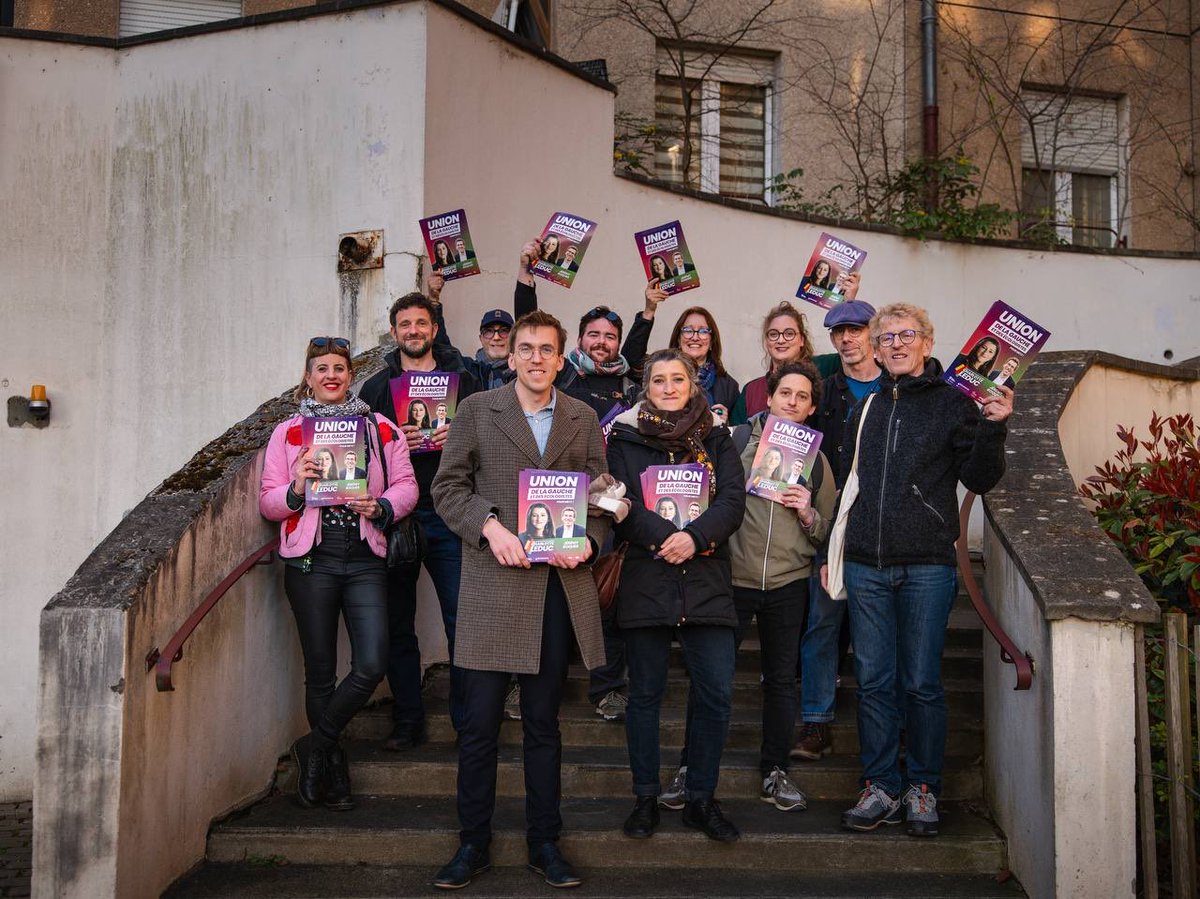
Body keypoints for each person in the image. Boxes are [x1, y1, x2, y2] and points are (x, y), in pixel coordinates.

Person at [430, 309, 611, 890]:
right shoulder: (478, 411)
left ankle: (544, 843)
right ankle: (472, 843)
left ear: (562, 359)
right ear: (510, 356)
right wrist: (490, 526)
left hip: (555, 588)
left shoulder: (583, 418)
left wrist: (588, 538)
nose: (535, 358)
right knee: (479, 725)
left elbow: (604, 497)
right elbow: (447, 488)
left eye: (546, 349)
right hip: (491, 582)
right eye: (525, 348)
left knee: (543, 724)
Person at [833, 303, 1012, 838]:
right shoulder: (866, 406)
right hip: (866, 564)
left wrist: (994, 427)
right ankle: (881, 784)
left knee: (922, 684)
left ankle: (923, 787)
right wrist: (836, 553)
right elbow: (850, 485)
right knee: (873, 682)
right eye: (885, 337)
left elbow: (981, 477)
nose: (894, 344)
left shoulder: (956, 403)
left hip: (928, 566)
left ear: (928, 343)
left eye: (905, 335)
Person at [259, 336, 418, 811]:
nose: (331, 375)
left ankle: (314, 745)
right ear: (308, 376)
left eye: (339, 368)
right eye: (321, 368)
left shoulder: (381, 428)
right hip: (311, 562)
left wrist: (384, 504)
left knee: (371, 663)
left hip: (365, 557)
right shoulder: (287, 434)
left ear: (351, 376)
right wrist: (298, 485)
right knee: (321, 674)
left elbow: (407, 485)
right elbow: (268, 502)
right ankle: (332, 767)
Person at [516, 239, 665, 722]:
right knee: (536, 600)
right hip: (551, 502)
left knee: (609, 598)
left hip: (610, 505)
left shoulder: (629, 383)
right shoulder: (562, 380)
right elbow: (530, 332)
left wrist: (648, 309)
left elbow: (643, 347)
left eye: (610, 337)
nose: (602, 342)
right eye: (593, 334)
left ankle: (606, 688)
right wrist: (526, 274)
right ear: (575, 342)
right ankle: (529, 687)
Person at [605, 348, 747, 843]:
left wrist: (696, 537)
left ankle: (701, 799)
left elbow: (733, 500)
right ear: (647, 387)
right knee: (643, 695)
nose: (668, 388)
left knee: (717, 694)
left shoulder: (715, 437)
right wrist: (666, 537)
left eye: (677, 380)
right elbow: (618, 501)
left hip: (706, 582)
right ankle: (645, 797)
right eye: (659, 380)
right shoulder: (623, 437)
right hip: (647, 578)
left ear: (693, 384)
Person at [359, 291, 480, 751]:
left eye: (421, 323)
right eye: (405, 324)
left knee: (461, 620)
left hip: (450, 512)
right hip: (397, 518)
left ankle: (468, 721)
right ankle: (408, 719)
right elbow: (360, 458)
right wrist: (395, 443)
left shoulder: (464, 381)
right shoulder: (375, 388)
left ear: (433, 328)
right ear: (395, 332)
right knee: (397, 624)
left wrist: (459, 437)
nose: (413, 331)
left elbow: (484, 446)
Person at [727, 361, 836, 811]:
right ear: (768, 398)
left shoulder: (820, 461)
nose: (792, 401)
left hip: (789, 582)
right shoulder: (733, 442)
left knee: (781, 682)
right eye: (785, 393)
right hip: (733, 578)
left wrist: (809, 512)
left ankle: (774, 769)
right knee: (712, 677)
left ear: (811, 409)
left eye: (802, 397)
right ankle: (692, 765)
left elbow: (826, 529)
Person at [795, 300, 881, 763]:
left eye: (855, 330)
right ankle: (816, 723)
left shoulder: (894, 387)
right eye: (838, 332)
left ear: (873, 332)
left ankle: (883, 728)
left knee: (875, 633)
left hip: (882, 523)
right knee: (823, 626)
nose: (847, 339)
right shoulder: (823, 391)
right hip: (829, 522)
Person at [730, 301, 815, 425]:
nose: (781, 340)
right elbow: (736, 436)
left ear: (802, 339)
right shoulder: (751, 390)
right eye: (773, 334)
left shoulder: (820, 376)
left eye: (789, 333)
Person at [667, 307, 739, 424]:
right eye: (688, 330)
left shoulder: (729, 386)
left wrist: (724, 423)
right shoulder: (662, 375)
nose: (695, 337)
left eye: (703, 331)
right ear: (679, 339)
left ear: (711, 341)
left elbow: (736, 434)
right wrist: (648, 313)